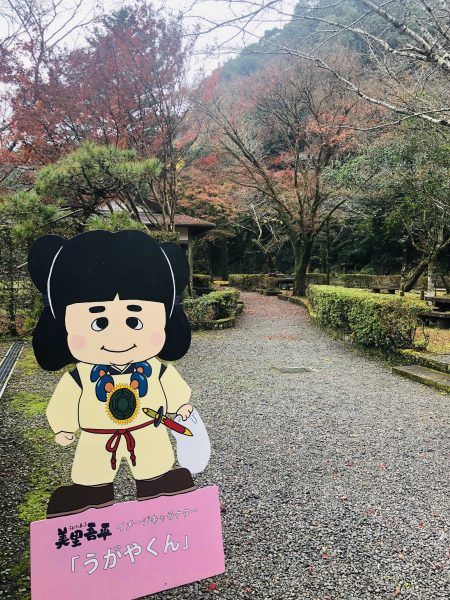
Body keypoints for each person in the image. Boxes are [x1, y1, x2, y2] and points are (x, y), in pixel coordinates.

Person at [28, 230, 197, 518]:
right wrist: (63, 426)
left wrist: (180, 405)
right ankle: (89, 497)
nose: (118, 338)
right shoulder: (81, 377)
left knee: (155, 467)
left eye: (134, 320)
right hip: (97, 436)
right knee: (92, 474)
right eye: (98, 322)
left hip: (147, 431)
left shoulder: (154, 369)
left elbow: (171, 385)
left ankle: (158, 489)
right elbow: (65, 399)